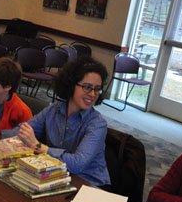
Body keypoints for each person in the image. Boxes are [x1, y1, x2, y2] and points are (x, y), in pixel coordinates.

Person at [10, 56, 110, 187]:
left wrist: (38, 146)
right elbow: (20, 131)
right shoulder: (53, 110)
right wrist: (20, 137)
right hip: (58, 175)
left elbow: (76, 164)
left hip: (87, 185)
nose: (92, 94)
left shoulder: (97, 124)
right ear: (71, 85)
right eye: (87, 87)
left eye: (97, 89)